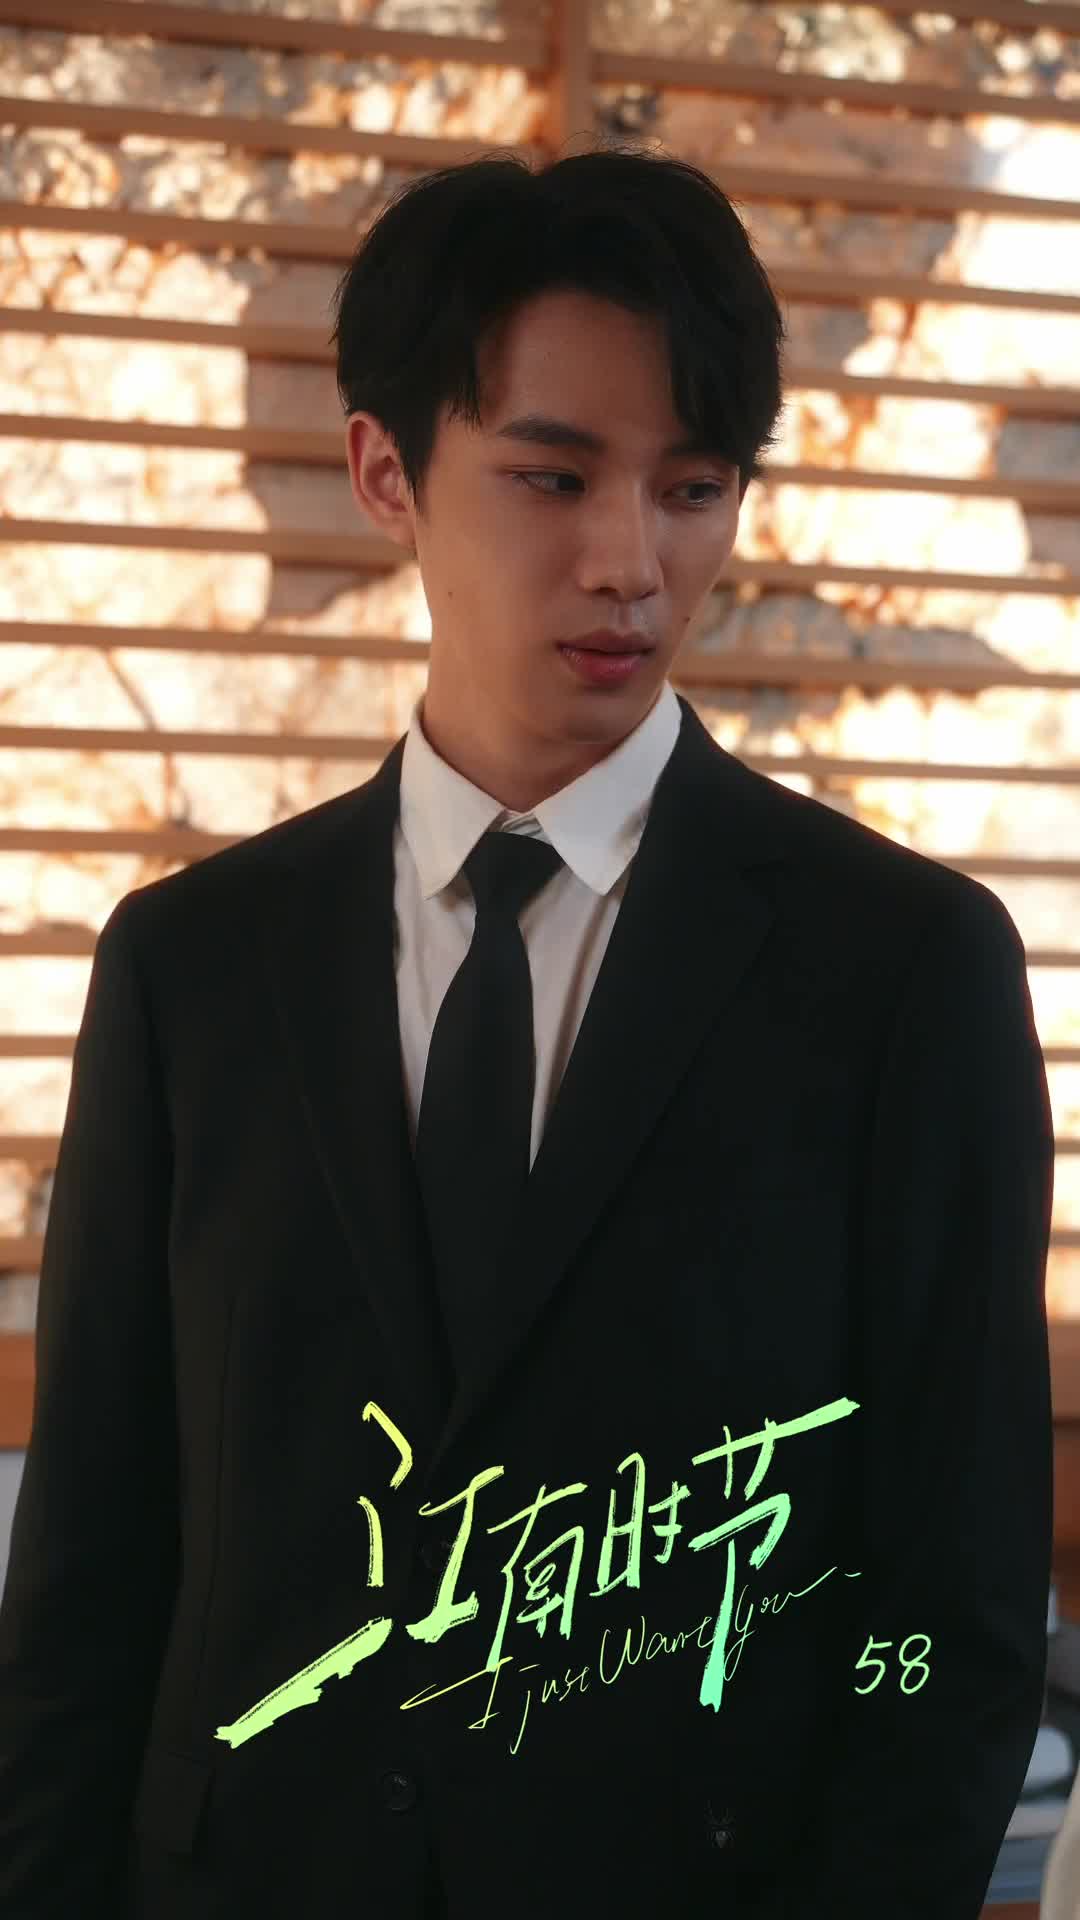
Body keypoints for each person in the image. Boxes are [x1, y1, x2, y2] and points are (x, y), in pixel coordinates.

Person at [0, 138, 1055, 1920]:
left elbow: (946, 1617)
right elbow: (87, 1581)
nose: (630, 561)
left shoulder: (904, 972)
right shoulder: (190, 968)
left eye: (693, 488)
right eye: (553, 477)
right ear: (386, 473)